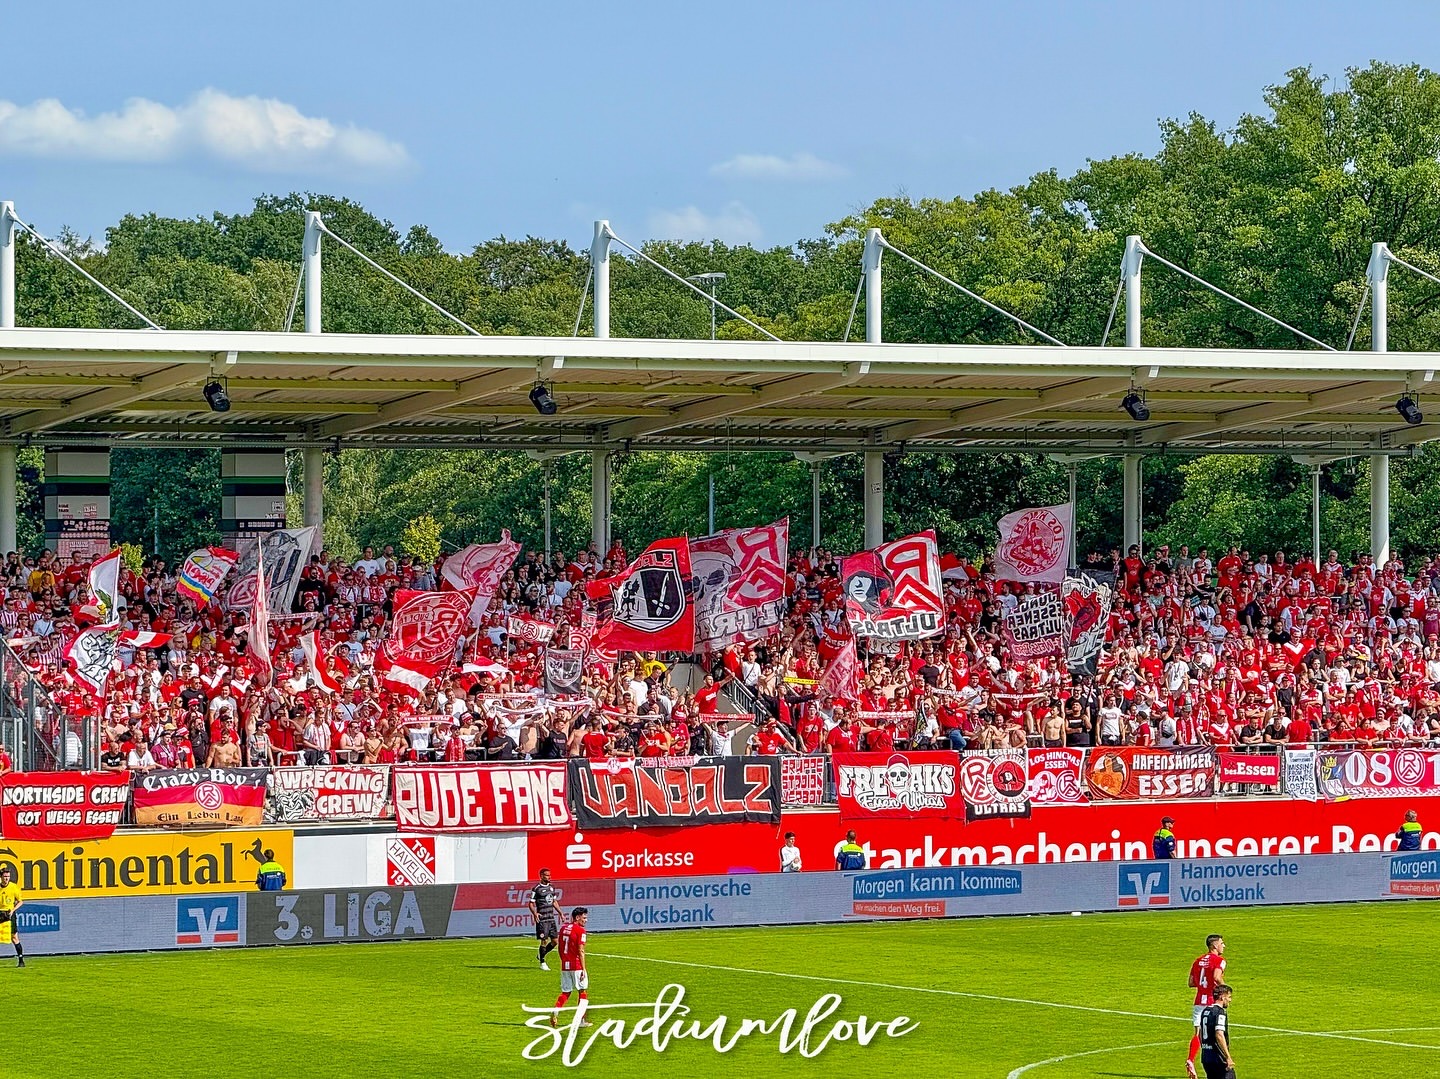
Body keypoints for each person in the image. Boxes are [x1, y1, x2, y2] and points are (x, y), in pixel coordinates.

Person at [1186, 934, 1227, 1078]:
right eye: (1222, 943)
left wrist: (1203, 984)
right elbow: (1216, 977)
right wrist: (1225, 990)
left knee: (1198, 1034)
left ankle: (1191, 1059)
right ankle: (1221, 1064)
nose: (1224, 946)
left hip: (1199, 1001)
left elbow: (1191, 982)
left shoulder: (1198, 961)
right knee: (1216, 1034)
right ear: (1214, 946)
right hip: (1211, 1002)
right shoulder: (1220, 960)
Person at [550, 906, 591, 1028]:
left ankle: (556, 1010)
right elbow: (581, 950)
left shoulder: (563, 928)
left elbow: (560, 947)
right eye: (584, 918)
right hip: (577, 966)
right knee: (582, 992)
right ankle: (581, 1021)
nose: (586, 920)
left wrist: (564, 961)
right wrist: (583, 968)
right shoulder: (580, 931)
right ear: (577, 917)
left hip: (565, 965)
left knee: (566, 992)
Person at [1197, 984, 1236, 1079]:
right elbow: (1219, 1034)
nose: (1230, 1000)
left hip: (1206, 1057)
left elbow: (1200, 1033)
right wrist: (1228, 1057)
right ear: (1222, 997)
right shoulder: (1220, 1012)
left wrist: (1205, 1048)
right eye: (1229, 997)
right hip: (1218, 1058)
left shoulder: (1205, 1011)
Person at [529, 867, 564, 970]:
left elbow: (554, 901)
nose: (549, 877)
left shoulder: (552, 887)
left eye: (549, 875)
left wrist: (560, 913)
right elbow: (531, 903)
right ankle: (542, 962)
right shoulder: (536, 889)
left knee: (555, 941)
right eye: (547, 875)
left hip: (551, 918)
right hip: (542, 919)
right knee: (544, 940)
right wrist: (535, 913)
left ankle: (541, 954)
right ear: (541, 876)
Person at [0, 865, 23, 967]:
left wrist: (13, 910)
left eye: (8, 876)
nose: (6, 878)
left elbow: (20, 901)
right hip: (0, 912)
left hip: (9, 914)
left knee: (14, 937)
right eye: (5, 876)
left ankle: (21, 960)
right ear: (1, 877)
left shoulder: (13, 887)